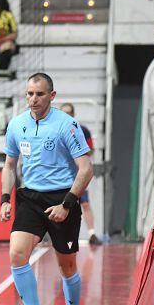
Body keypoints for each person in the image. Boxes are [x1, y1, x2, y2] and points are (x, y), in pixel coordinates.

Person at [1, 73, 93, 305]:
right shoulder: (17, 125)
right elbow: (9, 165)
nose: (33, 99)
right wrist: (6, 198)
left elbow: (86, 169)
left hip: (62, 198)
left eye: (39, 94)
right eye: (29, 94)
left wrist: (67, 204)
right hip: (30, 198)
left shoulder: (67, 125)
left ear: (52, 96)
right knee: (17, 253)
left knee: (66, 266)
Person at [60, 103, 101, 246]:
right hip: (62, 175)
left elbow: (90, 150)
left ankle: (92, 234)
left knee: (85, 203)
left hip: (78, 175)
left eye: (69, 113)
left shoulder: (82, 130)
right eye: (64, 112)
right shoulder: (55, 130)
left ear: (74, 114)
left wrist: (78, 150)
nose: (67, 115)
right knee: (61, 204)